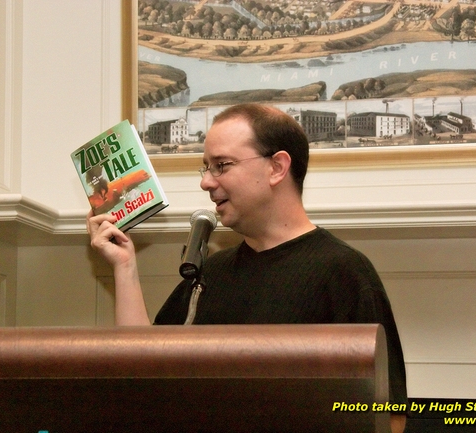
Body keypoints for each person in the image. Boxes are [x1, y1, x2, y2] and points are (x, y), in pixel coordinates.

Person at [87, 103, 407, 433]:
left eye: (222, 166)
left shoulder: (342, 271)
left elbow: (390, 416)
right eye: (205, 168)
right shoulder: (210, 271)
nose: (206, 183)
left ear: (277, 167)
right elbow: (144, 371)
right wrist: (123, 268)